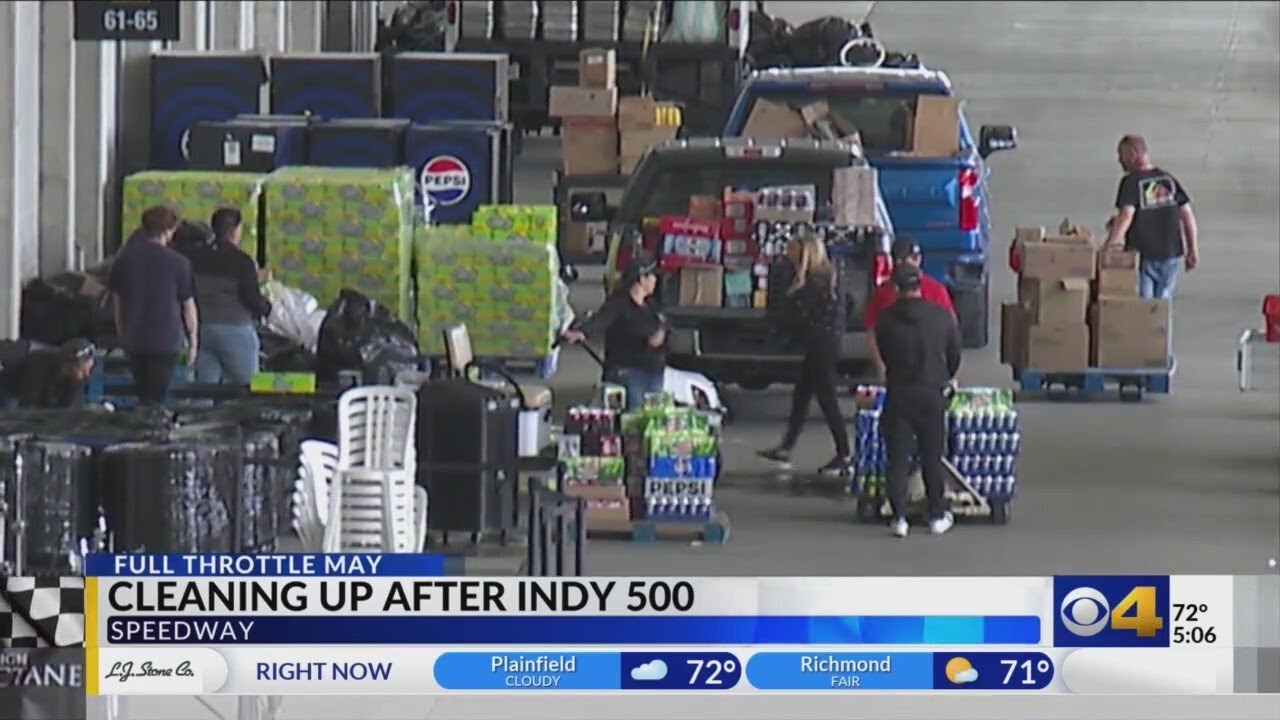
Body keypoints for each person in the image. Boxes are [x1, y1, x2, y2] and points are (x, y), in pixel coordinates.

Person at [875, 264, 962, 538]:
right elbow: (954, 353)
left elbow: (886, 355)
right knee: (932, 457)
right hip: (931, 393)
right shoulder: (940, 316)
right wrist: (944, 376)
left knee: (897, 458)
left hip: (899, 393)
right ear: (920, 286)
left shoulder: (885, 321)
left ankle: (899, 517)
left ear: (896, 289)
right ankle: (936, 515)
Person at [757, 234, 853, 475]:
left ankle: (845, 452)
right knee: (801, 395)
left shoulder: (812, 283)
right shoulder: (830, 277)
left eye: (792, 255)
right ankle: (787, 446)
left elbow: (796, 315)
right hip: (826, 343)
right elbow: (849, 303)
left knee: (827, 399)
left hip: (821, 346)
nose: (788, 260)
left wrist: (778, 318)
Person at [108, 205, 199, 405]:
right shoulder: (179, 263)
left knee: (143, 393)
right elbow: (188, 306)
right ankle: (150, 429)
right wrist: (193, 340)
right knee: (156, 397)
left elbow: (117, 301)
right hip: (165, 340)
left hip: (134, 338)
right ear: (169, 231)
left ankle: (142, 424)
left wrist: (121, 332)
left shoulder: (124, 259)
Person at [560, 255, 667, 409]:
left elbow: (666, 327)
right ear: (641, 279)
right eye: (652, 276)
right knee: (633, 419)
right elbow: (601, 320)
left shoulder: (652, 306)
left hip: (653, 373)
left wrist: (661, 337)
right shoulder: (619, 304)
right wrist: (581, 332)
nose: (655, 280)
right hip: (628, 373)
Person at [1103, 134, 1199, 299]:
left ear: (1132, 154)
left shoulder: (1131, 181)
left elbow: (1126, 216)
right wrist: (1193, 250)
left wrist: (1108, 247)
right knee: (1162, 304)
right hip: (1172, 253)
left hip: (1146, 254)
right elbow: (1187, 215)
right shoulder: (1168, 180)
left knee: (1145, 308)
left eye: (1121, 155)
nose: (1120, 160)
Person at [187, 208, 272, 385]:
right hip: (234, 329)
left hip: (202, 329)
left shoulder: (196, 257)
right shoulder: (242, 261)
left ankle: (201, 413)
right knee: (247, 385)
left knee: (204, 388)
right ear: (235, 231)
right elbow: (252, 298)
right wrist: (268, 308)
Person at [864, 237, 956, 379]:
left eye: (916, 258)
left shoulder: (936, 290)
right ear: (896, 261)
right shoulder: (882, 293)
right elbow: (872, 332)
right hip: (899, 369)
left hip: (926, 369)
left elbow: (952, 330)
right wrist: (880, 366)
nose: (914, 263)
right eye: (908, 259)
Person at [0, 339, 96, 409]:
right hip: (10, 391)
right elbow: (28, 402)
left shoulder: (77, 379)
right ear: (65, 366)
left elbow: (71, 408)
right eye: (81, 370)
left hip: (38, 397)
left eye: (89, 369)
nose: (86, 374)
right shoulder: (38, 364)